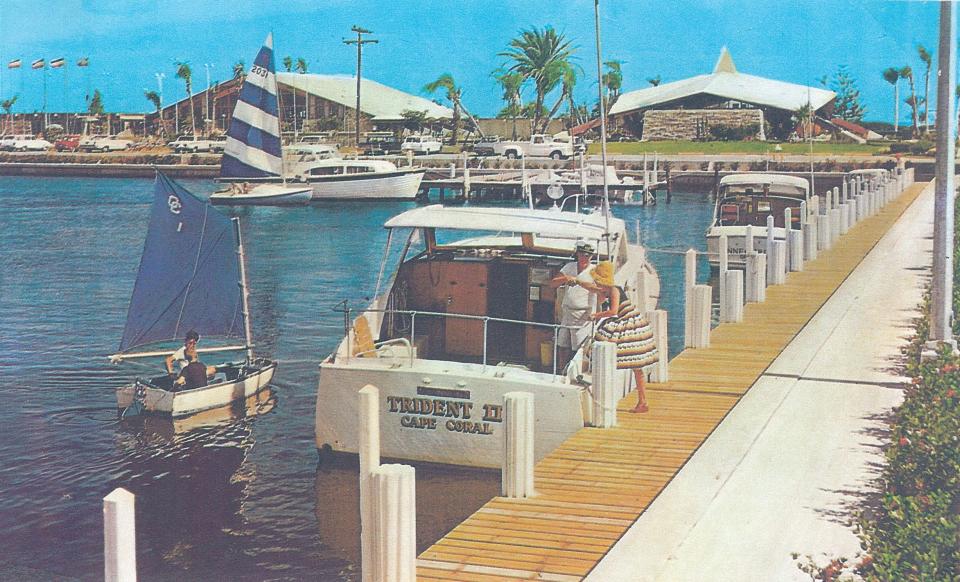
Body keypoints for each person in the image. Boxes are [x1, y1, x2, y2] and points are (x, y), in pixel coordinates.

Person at [589, 261, 658, 413]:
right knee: (636, 365)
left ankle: (642, 401)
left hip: (628, 323)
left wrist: (596, 315)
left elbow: (613, 311)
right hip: (627, 321)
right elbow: (591, 288)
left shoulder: (614, 290)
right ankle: (642, 401)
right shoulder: (606, 290)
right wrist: (574, 280)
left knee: (633, 363)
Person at [549, 240, 597, 367]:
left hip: (583, 315)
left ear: (591, 256)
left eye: (587, 255)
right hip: (567, 312)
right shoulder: (569, 267)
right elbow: (552, 283)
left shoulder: (595, 271)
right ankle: (560, 371)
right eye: (582, 254)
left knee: (580, 347)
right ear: (577, 254)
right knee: (562, 344)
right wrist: (566, 278)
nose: (584, 257)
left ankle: (578, 372)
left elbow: (599, 290)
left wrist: (579, 281)